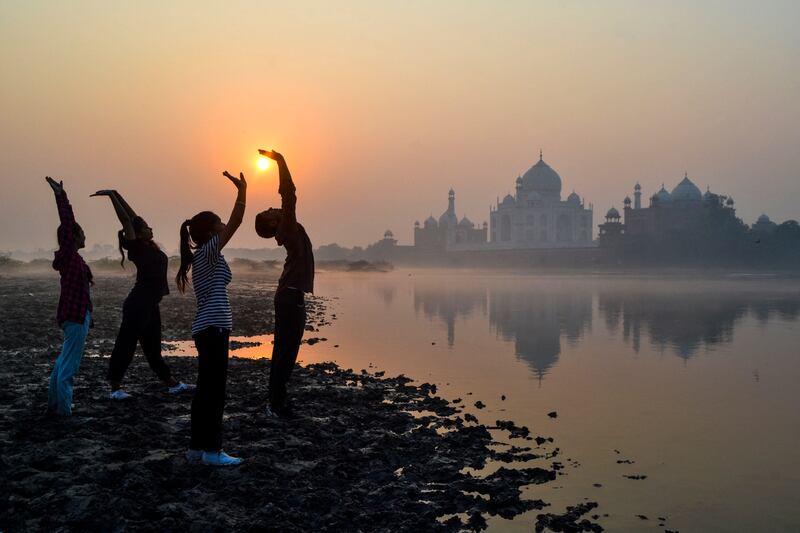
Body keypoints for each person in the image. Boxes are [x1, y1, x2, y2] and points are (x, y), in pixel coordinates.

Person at [91, 189, 194, 400]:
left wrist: (116, 192)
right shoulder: (136, 247)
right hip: (138, 303)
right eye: (147, 228)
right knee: (126, 344)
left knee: (153, 347)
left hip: (150, 304)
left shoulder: (147, 245)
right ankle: (115, 388)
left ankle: (171, 383)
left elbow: (134, 218)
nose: (150, 228)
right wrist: (111, 198)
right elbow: (128, 222)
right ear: (138, 233)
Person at [176, 170, 246, 466]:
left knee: (206, 389)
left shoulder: (203, 256)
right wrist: (242, 191)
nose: (223, 226)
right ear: (209, 232)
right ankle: (213, 452)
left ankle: (196, 449)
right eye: (218, 223)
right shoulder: (208, 251)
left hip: (207, 328)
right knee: (214, 392)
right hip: (213, 328)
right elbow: (238, 221)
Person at [254, 149, 315, 419]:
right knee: (285, 352)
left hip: (291, 295)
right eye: (269, 211)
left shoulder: (286, 229)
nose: (273, 207)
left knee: (286, 350)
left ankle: (277, 399)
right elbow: (289, 194)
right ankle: (276, 403)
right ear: (273, 222)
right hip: (290, 297)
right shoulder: (287, 227)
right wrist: (280, 161)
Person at [46, 176, 93, 416]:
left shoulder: (75, 260)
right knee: (69, 366)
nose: (85, 236)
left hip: (76, 316)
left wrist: (89, 316)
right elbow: (67, 223)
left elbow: (83, 291)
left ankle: (55, 406)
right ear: (73, 237)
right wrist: (61, 197)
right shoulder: (69, 255)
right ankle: (64, 412)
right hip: (74, 317)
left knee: (63, 361)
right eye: (82, 233)